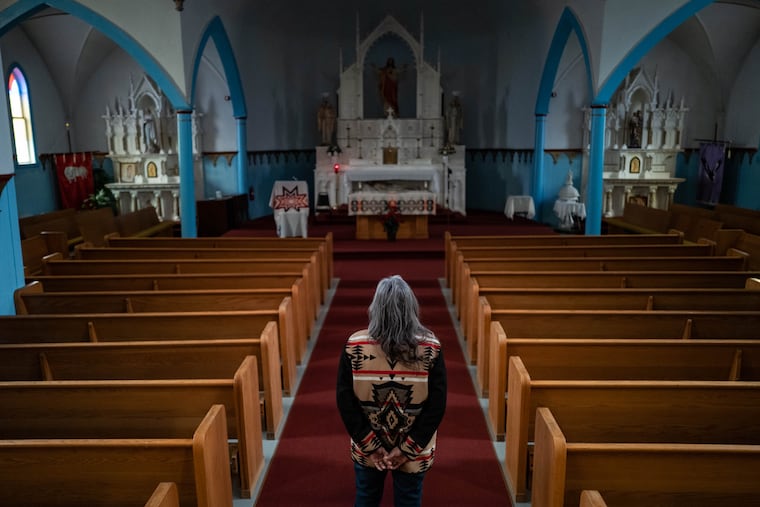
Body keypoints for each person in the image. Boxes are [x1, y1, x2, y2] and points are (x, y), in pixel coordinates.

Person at [337, 275, 447, 507]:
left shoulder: (355, 345)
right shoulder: (430, 347)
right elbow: (436, 405)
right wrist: (407, 449)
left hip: (368, 445)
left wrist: (372, 447)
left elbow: (345, 402)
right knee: (409, 500)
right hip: (415, 448)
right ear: (411, 307)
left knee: (366, 498)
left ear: (375, 308)